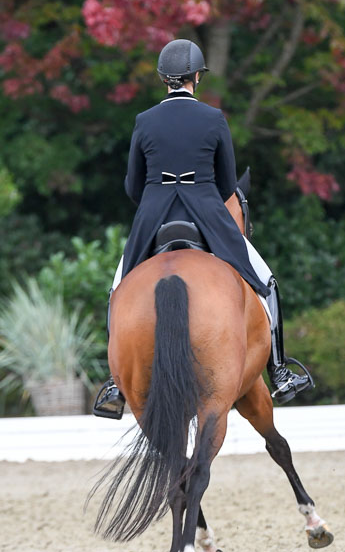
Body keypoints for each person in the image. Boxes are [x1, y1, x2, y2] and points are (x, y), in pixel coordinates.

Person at [93, 39, 313, 419]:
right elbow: (227, 183)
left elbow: (133, 186)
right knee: (267, 281)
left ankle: (115, 382)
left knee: (119, 288)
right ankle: (279, 371)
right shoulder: (214, 118)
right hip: (208, 215)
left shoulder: (145, 121)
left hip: (155, 217)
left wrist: (158, 198)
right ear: (196, 76)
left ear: (163, 78)